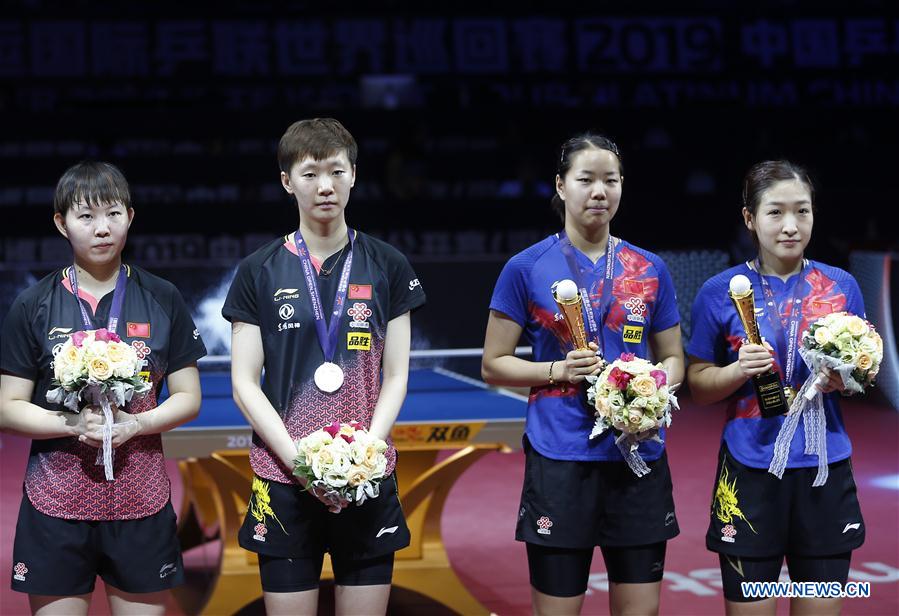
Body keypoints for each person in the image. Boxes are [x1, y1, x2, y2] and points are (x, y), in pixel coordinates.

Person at [222, 118, 426, 615]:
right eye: (310, 173)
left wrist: (367, 455)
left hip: (367, 477)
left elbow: (396, 373)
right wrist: (299, 463)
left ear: (354, 175)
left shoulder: (388, 264)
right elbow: (245, 384)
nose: (326, 185)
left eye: (337, 171)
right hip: (283, 477)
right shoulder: (258, 270)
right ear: (287, 181)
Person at [482, 133, 684, 616]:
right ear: (561, 185)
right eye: (586, 179)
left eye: (610, 180)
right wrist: (557, 369)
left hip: (638, 459)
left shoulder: (650, 268)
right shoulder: (525, 267)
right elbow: (493, 364)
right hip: (560, 458)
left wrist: (654, 390)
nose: (600, 191)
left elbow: (674, 358)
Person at [0, 161, 206, 615]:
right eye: (86, 216)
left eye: (113, 214)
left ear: (130, 217)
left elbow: (190, 396)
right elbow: (7, 407)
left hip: (142, 499)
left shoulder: (162, 296)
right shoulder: (33, 305)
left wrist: (139, 423)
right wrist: (73, 424)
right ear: (61, 223)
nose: (101, 229)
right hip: (55, 502)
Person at [687, 160, 866, 615]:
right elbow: (699, 386)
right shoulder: (719, 291)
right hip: (749, 473)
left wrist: (842, 377)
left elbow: (861, 376)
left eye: (802, 212)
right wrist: (736, 371)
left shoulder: (841, 285)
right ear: (749, 218)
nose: (790, 226)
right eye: (775, 212)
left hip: (824, 471)